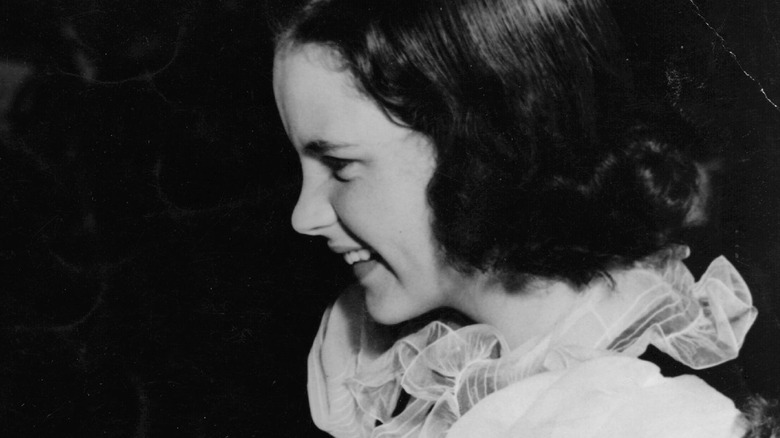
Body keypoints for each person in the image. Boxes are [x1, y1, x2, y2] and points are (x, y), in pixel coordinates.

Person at [271, 0, 763, 436]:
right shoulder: (379, 362)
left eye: (339, 165)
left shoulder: (651, 416)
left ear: (482, 144)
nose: (303, 216)